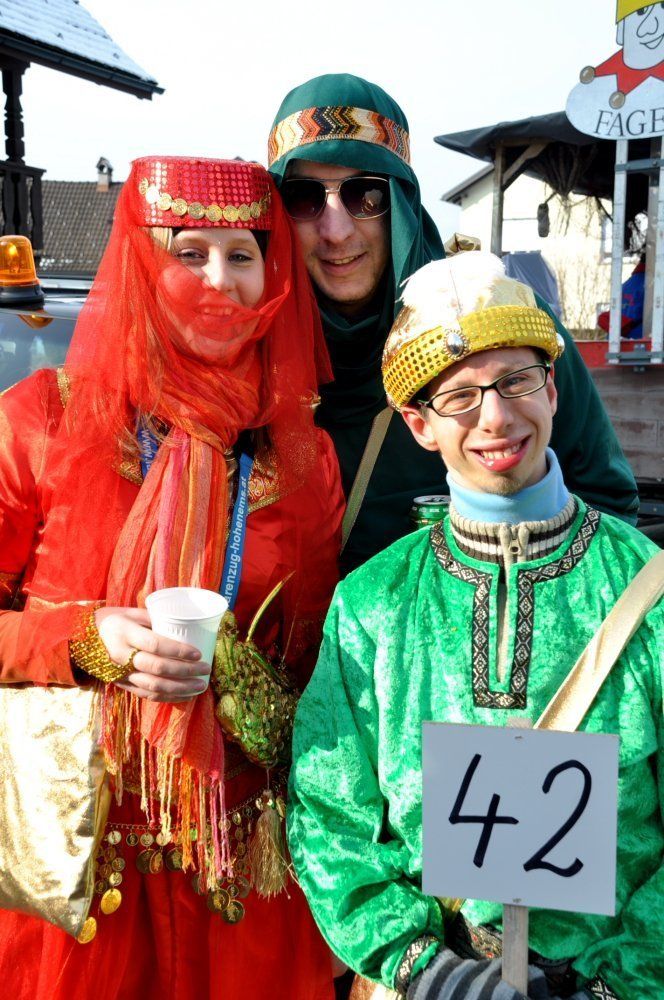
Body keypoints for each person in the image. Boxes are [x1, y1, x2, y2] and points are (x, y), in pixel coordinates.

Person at [0, 156, 343, 1000]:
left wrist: (247, 683)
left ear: (273, 274)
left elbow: (322, 669)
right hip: (82, 865)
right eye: (189, 253)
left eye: (241, 254)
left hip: (242, 875)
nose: (218, 280)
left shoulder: (304, 456)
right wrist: (85, 638)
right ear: (142, 267)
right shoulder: (42, 420)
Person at [288, 253, 663, 1000]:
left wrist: (615, 983)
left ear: (552, 388)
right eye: (459, 396)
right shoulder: (372, 604)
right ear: (420, 425)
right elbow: (327, 812)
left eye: (516, 380)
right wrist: (424, 968)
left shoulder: (647, 587)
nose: (495, 418)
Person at [267, 74, 639, 574]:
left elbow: (605, 502)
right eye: (303, 197)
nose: (336, 231)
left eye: (366, 195)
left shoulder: (494, 316)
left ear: (401, 199)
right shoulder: (252, 342)